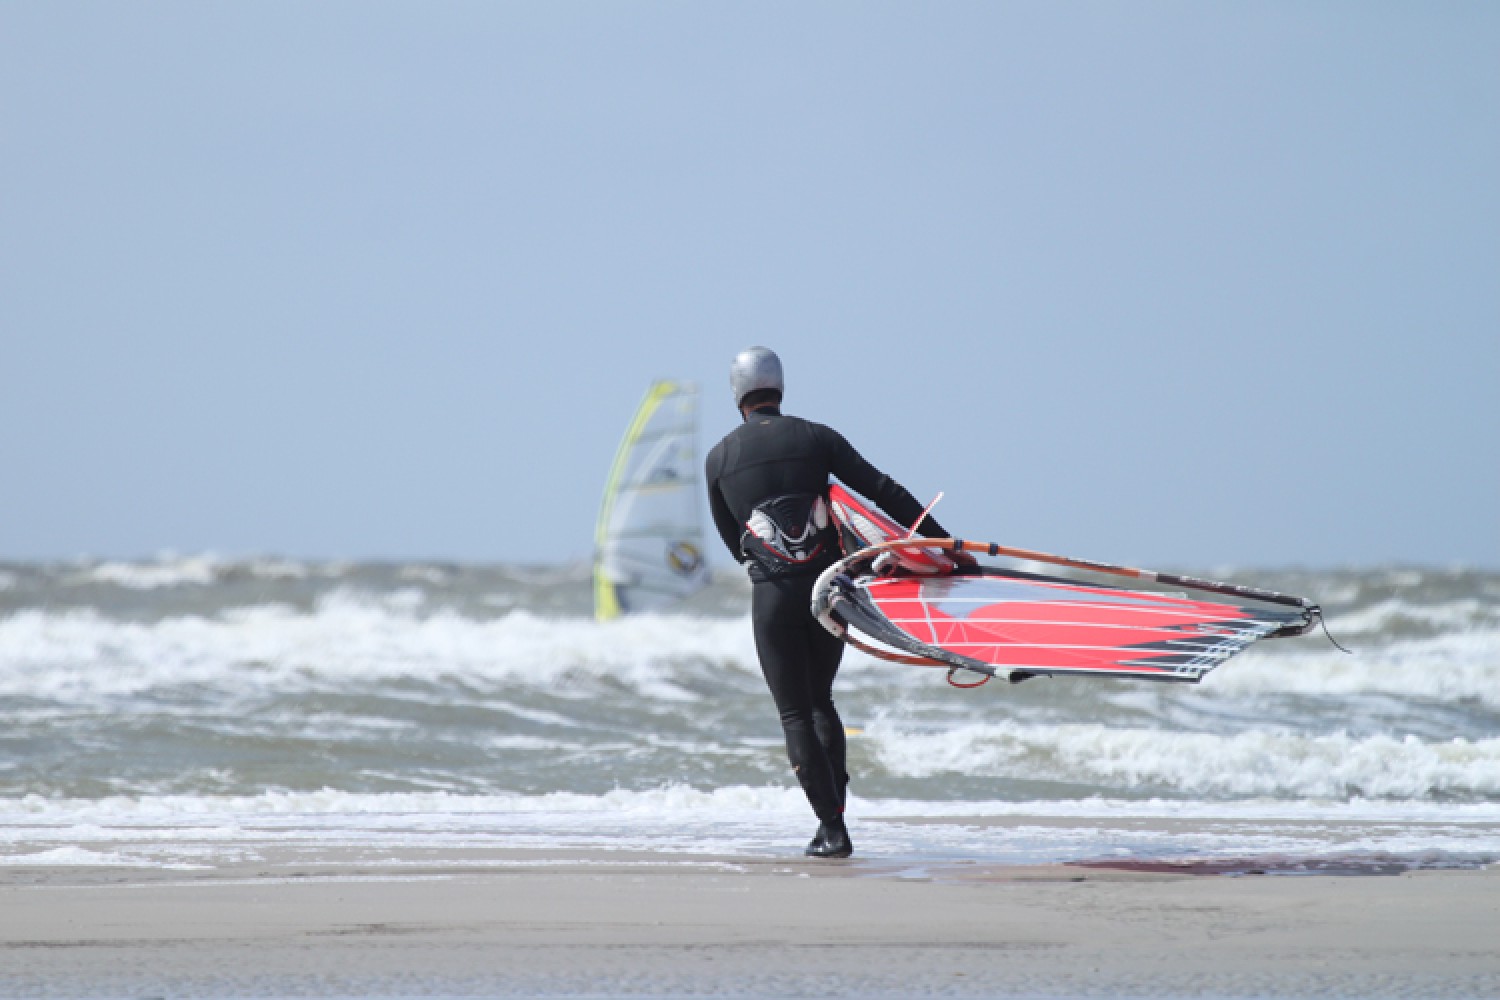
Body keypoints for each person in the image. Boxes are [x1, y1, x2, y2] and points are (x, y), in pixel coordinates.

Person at [705, 346, 957, 858]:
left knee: (795, 713)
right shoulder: (816, 436)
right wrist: (941, 542)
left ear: (736, 394)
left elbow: (734, 543)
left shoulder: (719, 459)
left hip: (772, 596)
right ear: (780, 388)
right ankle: (834, 816)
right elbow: (882, 490)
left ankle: (832, 829)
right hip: (827, 591)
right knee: (822, 702)